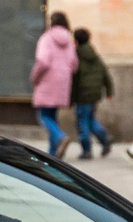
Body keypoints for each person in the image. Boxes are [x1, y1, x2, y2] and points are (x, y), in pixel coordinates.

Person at [29, 11, 77, 157]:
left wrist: (34, 78)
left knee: (43, 116)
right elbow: (74, 64)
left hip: (47, 80)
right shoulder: (69, 40)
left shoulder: (46, 38)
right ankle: (53, 152)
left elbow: (43, 61)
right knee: (53, 116)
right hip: (63, 81)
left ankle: (60, 137)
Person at [68, 27, 112, 160]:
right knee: (90, 119)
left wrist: (71, 98)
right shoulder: (94, 54)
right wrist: (109, 91)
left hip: (82, 94)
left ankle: (86, 150)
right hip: (95, 94)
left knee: (82, 121)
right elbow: (105, 73)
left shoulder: (76, 56)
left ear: (75, 41)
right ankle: (105, 138)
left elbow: (74, 80)